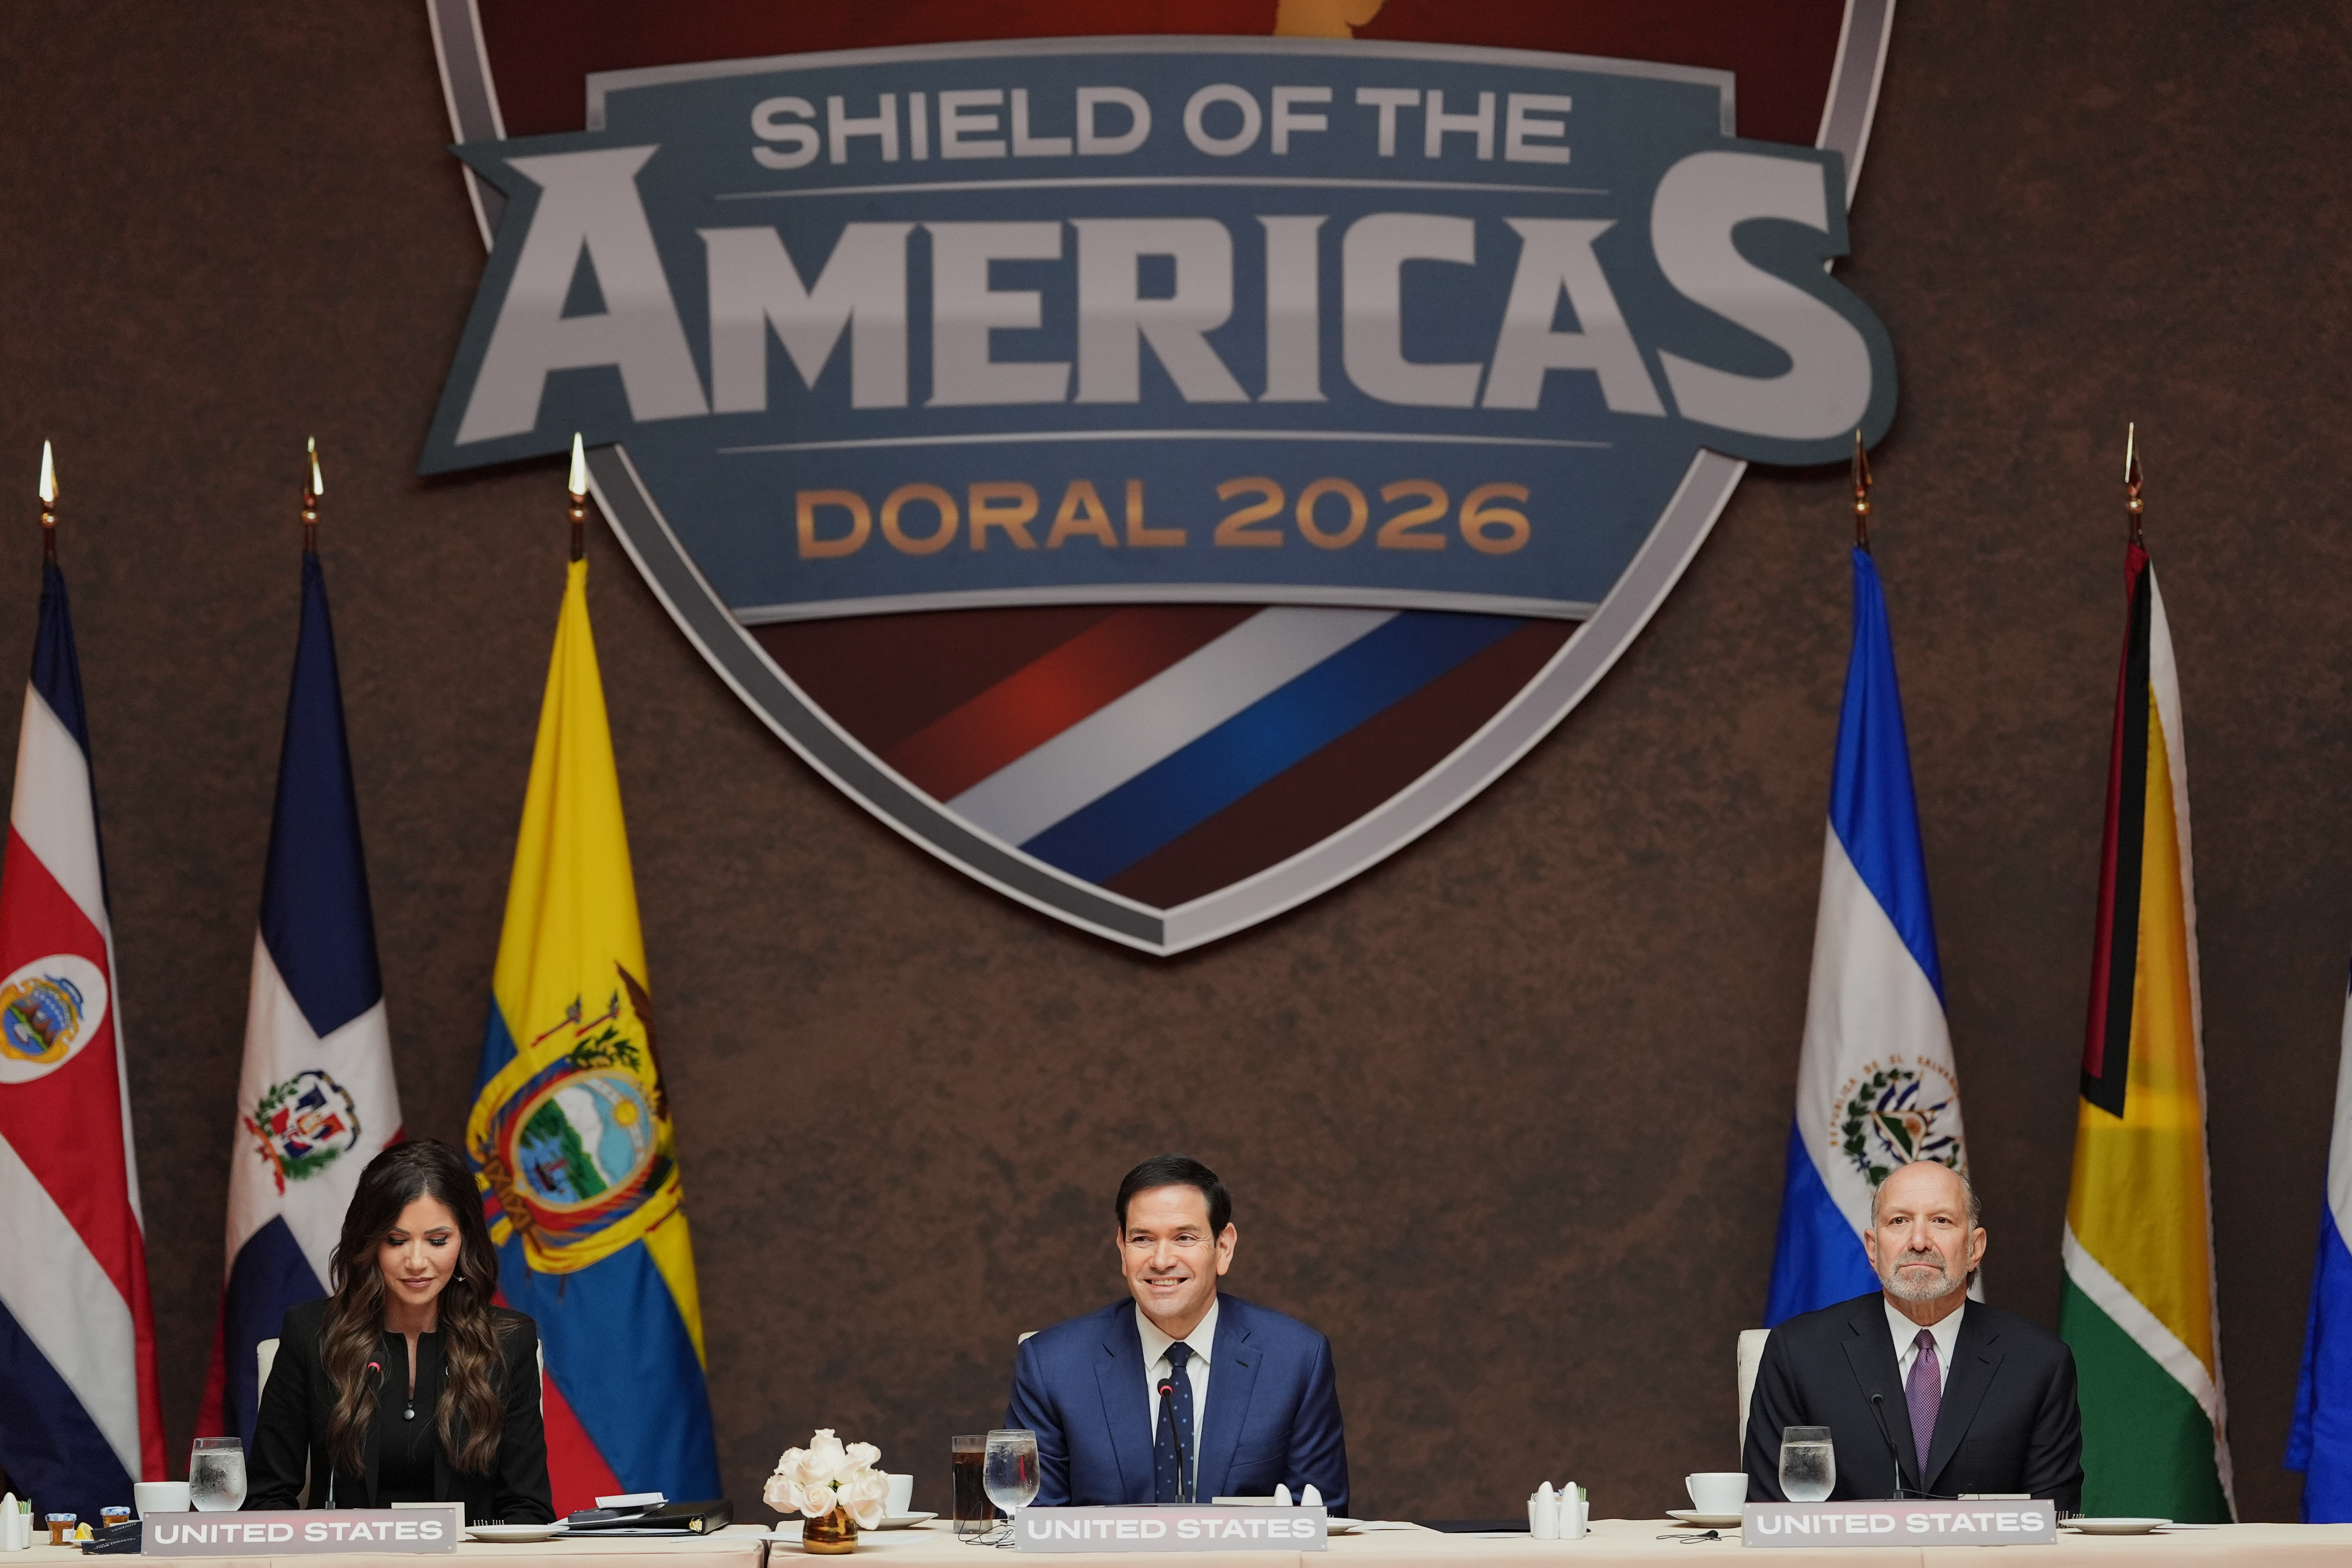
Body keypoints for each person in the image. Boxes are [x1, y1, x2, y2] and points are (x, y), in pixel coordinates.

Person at [1006, 1156, 1349, 1513]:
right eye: (1142, 1239)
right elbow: (1034, 1521)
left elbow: (1318, 1516)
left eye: (1184, 1237)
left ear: (1224, 1247)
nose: (1161, 1259)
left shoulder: (1296, 1359)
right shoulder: (1051, 1364)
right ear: (1122, 1249)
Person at [1743, 1160, 2083, 1509]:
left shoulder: (2038, 1363)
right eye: (1899, 1221)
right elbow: (1771, 1514)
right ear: (1873, 1249)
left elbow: (2053, 1519)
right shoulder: (1798, 1353)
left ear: (1974, 1248)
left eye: (1941, 1221)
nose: (1919, 1241)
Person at [247, 1140, 554, 1522]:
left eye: (438, 1241)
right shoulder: (312, 1333)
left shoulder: (508, 1342)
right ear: (370, 1242)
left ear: (465, 1240)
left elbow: (528, 1509)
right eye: (397, 1240)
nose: (417, 1262)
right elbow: (267, 1497)